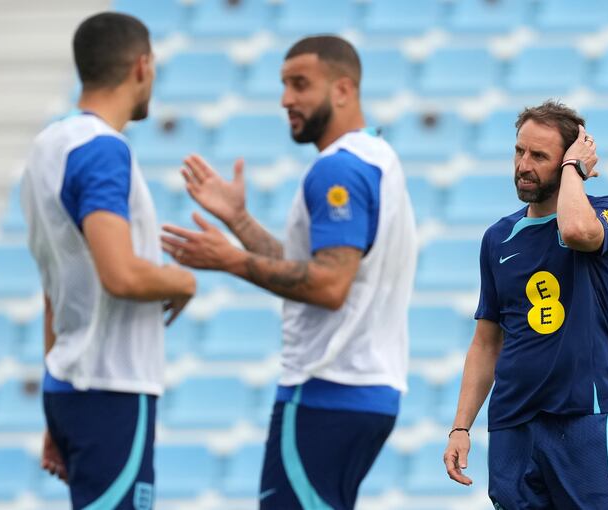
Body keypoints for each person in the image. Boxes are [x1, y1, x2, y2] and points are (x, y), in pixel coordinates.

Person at [161, 35, 417, 510]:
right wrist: (239, 223)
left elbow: (328, 285)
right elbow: (319, 268)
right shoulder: (377, 157)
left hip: (326, 390)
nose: (285, 100)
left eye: (300, 85)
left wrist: (228, 259)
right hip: (365, 389)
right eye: (283, 85)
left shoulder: (337, 171)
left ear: (343, 89)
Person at [21, 12, 196, 510]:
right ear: (142, 66)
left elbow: (56, 290)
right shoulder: (103, 151)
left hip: (70, 378)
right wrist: (181, 281)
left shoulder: (45, 148)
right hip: (112, 385)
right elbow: (118, 273)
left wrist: (56, 412)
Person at [442, 101, 608, 509]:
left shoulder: (605, 212)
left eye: (539, 156)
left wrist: (571, 173)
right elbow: (487, 343)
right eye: (519, 151)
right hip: (513, 424)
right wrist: (461, 427)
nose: (523, 165)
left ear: (570, 161)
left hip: (582, 416)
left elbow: (576, 229)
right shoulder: (498, 238)